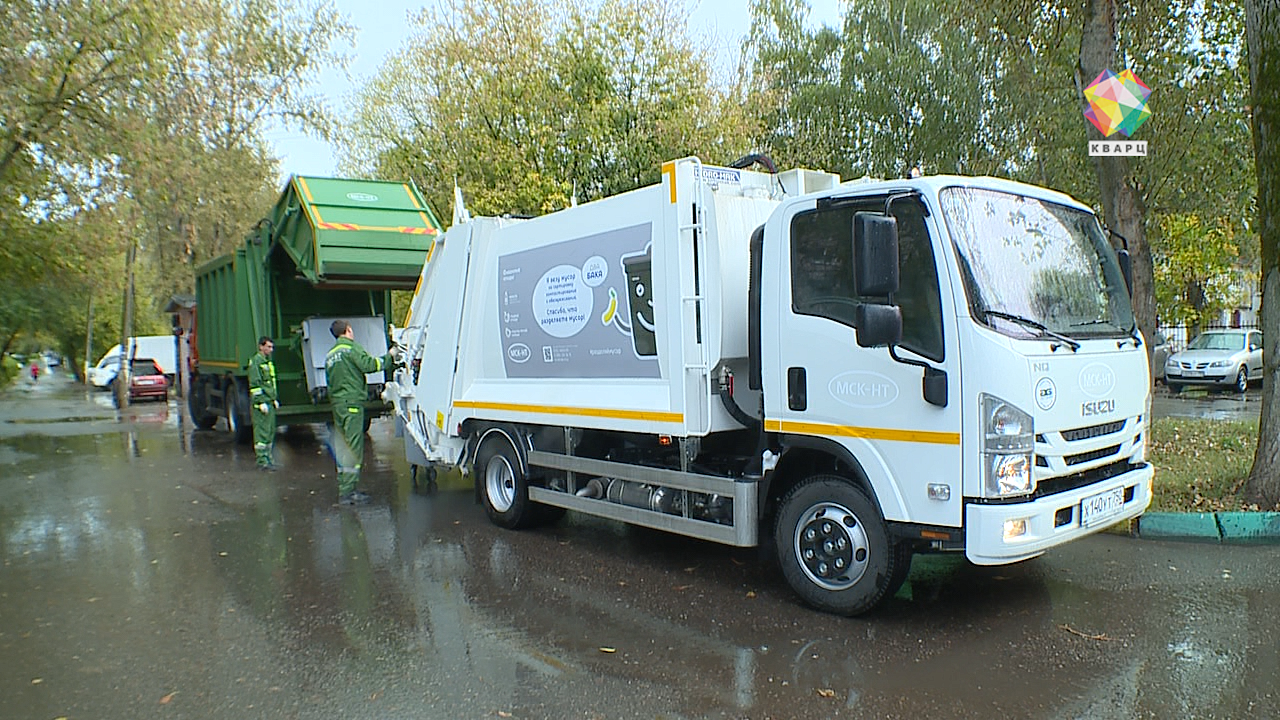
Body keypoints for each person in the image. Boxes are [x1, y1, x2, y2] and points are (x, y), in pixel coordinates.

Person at [324, 320, 399, 505]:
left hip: (338, 404)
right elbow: (371, 365)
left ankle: (345, 487)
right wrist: (390, 356)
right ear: (348, 330)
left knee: (343, 446)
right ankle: (349, 493)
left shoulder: (330, 355)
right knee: (353, 446)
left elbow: (330, 382)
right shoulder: (351, 349)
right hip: (352, 404)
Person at [247, 336, 278, 471]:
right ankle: (262, 461)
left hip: (269, 402)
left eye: (271, 347)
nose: (270, 350)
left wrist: (273, 399)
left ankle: (268, 459)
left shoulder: (266, 362)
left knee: (269, 431)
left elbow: (270, 383)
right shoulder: (256, 362)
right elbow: (255, 385)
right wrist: (260, 402)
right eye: (268, 347)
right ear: (261, 346)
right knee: (262, 433)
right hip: (262, 404)